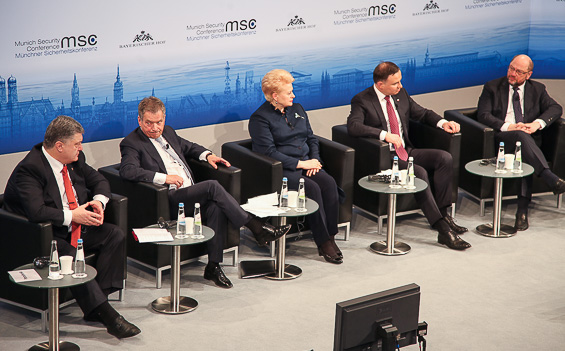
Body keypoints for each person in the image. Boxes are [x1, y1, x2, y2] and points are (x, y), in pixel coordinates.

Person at [119, 96, 291, 288]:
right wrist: (163, 178)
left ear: (164, 119)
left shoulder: (168, 132)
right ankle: (256, 227)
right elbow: (128, 170)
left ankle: (213, 266)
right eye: (149, 123)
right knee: (212, 186)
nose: (155, 128)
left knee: (216, 207)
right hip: (167, 198)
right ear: (139, 120)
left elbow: (190, 147)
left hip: (189, 193)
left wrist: (208, 155)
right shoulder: (131, 142)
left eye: (159, 122)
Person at [3, 116, 140, 339]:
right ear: (59, 146)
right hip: (46, 234)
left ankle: (97, 303)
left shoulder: (75, 160)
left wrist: (99, 201)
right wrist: (73, 215)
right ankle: (109, 316)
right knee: (69, 254)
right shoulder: (29, 169)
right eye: (77, 143)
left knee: (114, 234)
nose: (80, 148)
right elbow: (36, 212)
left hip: (76, 226)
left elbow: (100, 181)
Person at [348, 61, 471, 251]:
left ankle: (444, 213)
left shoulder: (401, 94)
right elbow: (353, 126)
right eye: (395, 83)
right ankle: (442, 229)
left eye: (400, 81)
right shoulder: (362, 100)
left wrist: (443, 123)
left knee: (443, 158)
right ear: (380, 85)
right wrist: (384, 135)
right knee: (418, 172)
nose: (401, 86)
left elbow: (422, 113)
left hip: (407, 151)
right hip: (385, 156)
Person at [249, 69, 344, 264]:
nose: (294, 95)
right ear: (275, 96)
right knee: (312, 188)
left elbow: (312, 138)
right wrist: (301, 163)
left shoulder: (298, 109)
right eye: (289, 92)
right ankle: (323, 242)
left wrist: (315, 161)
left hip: (307, 163)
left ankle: (331, 235)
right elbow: (268, 152)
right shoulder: (259, 119)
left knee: (328, 183)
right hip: (283, 170)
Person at [477, 54, 565, 231]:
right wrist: (509, 127)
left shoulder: (538, 89)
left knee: (523, 151)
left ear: (528, 74)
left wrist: (536, 124)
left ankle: (522, 212)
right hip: (503, 139)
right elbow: (483, 115)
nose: (512, 73)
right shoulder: (492, 87)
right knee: (520, 138)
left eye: (518, 71)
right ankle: (548, 179)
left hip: (529, 141)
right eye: (511, 68)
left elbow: (556, 108)